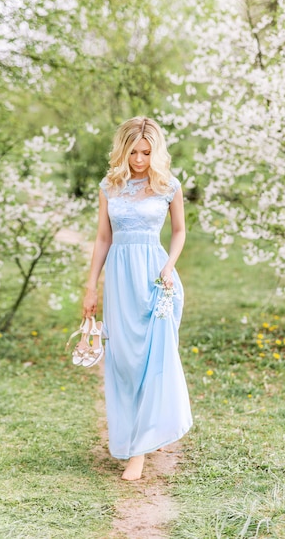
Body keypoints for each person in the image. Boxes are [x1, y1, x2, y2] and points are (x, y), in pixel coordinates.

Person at [81, 115, 192, 481]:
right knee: (125, 360)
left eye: (146, 152)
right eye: (134, 152)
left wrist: (169, 266)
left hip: (156, 279)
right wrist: (91, 286)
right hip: (119, 278)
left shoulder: (168, 185)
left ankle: (140, 452)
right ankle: (142, 432)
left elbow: (178, 232)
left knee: (152, 358)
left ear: (155, 151)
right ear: (123, 149)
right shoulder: (109, 186)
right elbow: (102, 239)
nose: (140, 160)